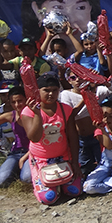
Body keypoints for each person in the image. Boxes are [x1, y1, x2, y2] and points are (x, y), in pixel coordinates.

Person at [21, 74, 82, 205]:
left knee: (74, 191)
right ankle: (52, 185)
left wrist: (75, 163)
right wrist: (37, 114)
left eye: (55, 90)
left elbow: (73, 137)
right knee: (48, 198)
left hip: (64, 157)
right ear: (38, 91)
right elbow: (34, 138)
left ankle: (60, 185)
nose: (51, 94)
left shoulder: (65, 109)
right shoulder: (28, 112)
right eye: (46, 90)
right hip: (41, 160)